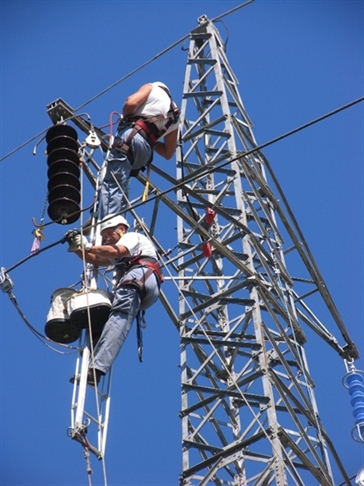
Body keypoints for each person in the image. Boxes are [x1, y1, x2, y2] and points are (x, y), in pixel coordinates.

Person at [66, 214, 163, 386]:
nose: (107, 239)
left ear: (121, 229)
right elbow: (95, 259)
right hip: (141, 285)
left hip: (140, 276)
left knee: (119, 317)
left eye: (109, 234)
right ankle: (96, 352)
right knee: (102, 310)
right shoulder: (116, 248)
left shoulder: (132, 237)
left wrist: (88, 244)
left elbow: (115, 251)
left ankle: (96, 369)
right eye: (104, 237)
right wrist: (76, 247)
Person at [98, 81, 180, 220]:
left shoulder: (152, 88)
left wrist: (126, 119)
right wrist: (150, 139)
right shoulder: (175, 115)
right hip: (144, 153)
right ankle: (112, 217)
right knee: (121, 185)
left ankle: (107, 223)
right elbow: (168, 152)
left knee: (113, 182)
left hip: (131, 138)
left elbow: (130, 103)